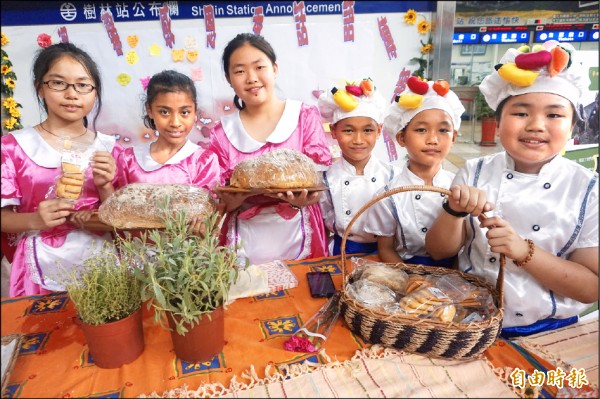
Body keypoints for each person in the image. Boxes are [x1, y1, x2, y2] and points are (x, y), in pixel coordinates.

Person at [425, 41, 598, 337]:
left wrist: (523, 251)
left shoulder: (588, 189)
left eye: (554, 115)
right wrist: (453, 212)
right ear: (498, 121)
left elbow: (589, 288)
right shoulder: (473, 172)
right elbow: (439, 250)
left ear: (573, 127)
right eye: (521, 113)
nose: (536, 125)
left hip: (552, 331)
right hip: (471, 321)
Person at [1, 42, 121, 297]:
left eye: (82, 85)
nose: (72, 94)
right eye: (58, 83)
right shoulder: (14, 147)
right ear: (40, 88)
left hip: (102, 261)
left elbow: (121, 220)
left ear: (95, 93)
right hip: (38, 266)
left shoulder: (110, 149)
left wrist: (105, 186)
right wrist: (34, 219)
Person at [208, 33, 332, 265]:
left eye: (259, 67)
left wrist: (309, 198)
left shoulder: (303, 116)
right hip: (243, 238)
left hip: (302, 229)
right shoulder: (221, 132)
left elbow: (319, 175)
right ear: (228, 79)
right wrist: (228, 203)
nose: (251, 78)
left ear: (275, 69)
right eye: (240, 71)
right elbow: (220, 194)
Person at [364, 78, 465, 266]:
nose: (433, 139)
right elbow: (385, 249)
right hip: (407, 275)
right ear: (402, 138)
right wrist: (410, 280)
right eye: (421, 130)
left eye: (443, 130)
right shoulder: (388, 196)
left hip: (456, 275)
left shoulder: (460, 187)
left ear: (454, 138)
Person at [115, 70, 222, 232]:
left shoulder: (204, 161)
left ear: (195, 111)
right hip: (138, 253)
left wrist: (202, 228)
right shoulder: (129, 159)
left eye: (184, 112)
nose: (175, 122)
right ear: (150, 110)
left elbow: (209, 215)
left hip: (187, 254)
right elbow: (119, 210)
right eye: (164, 112)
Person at [317, 78, 397, 256]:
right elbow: (322, 225)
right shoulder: (325, 178)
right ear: (334, 131)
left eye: (367, 130)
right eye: (348, 130)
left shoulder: (392, 175)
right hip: (341, 252)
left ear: (378, 131)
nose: (358, 140)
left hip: (387, 253)